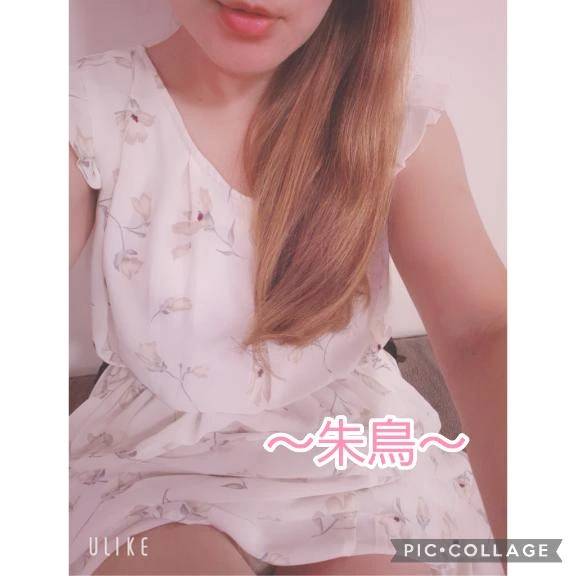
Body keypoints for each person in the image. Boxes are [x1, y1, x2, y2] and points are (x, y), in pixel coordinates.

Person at [69, 1, 506, 574]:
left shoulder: (390, 118)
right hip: (150, 450)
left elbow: (482, 328)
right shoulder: (91, 108)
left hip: (349, 447)